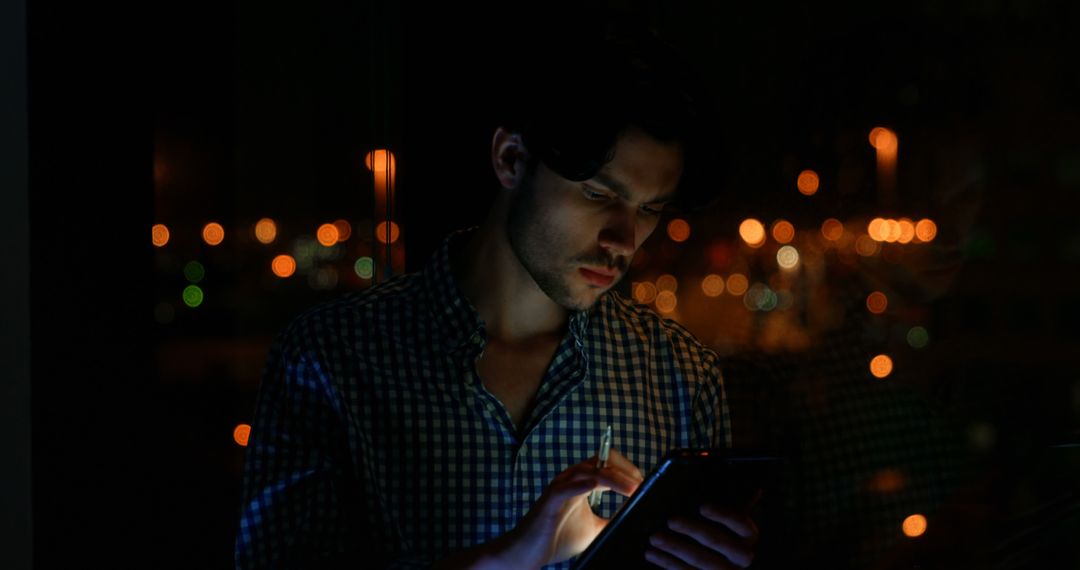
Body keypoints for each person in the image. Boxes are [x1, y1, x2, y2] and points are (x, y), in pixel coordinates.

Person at [234, 14, 759, 570]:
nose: (624, 240)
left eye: (650, 209)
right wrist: (512, 557)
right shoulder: (331, 359)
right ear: (511, 158)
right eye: (599, 194)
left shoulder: (679, 374)